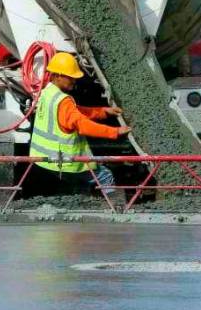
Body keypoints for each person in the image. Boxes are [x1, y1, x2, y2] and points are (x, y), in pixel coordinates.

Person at [28, 51, 131, 200]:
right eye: (70, 77)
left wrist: (103, 111)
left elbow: (75, 112)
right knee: (104, 176)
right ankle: (118, 208)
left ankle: (83, 202)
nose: (74, 81)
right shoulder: (63, 101)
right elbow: (83, 125)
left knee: (81, 183)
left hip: (43, 160)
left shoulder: (47, 93)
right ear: (57, 76)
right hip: (65, 161)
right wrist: (115, 131)